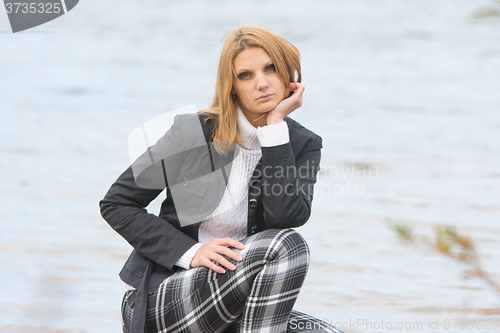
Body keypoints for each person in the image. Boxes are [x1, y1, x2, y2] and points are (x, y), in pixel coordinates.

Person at [100, 25, 342, 333]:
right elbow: (118, 204)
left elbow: (286, 215)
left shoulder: (302, 144)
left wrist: (274, 131)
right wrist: (192, 253)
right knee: (285, 245)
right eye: (246, 75)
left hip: (235, 301)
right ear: (232, 86)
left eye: (271, 69)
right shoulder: (194, 131)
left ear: (289, 76)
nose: (262, 83)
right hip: (163, 297)